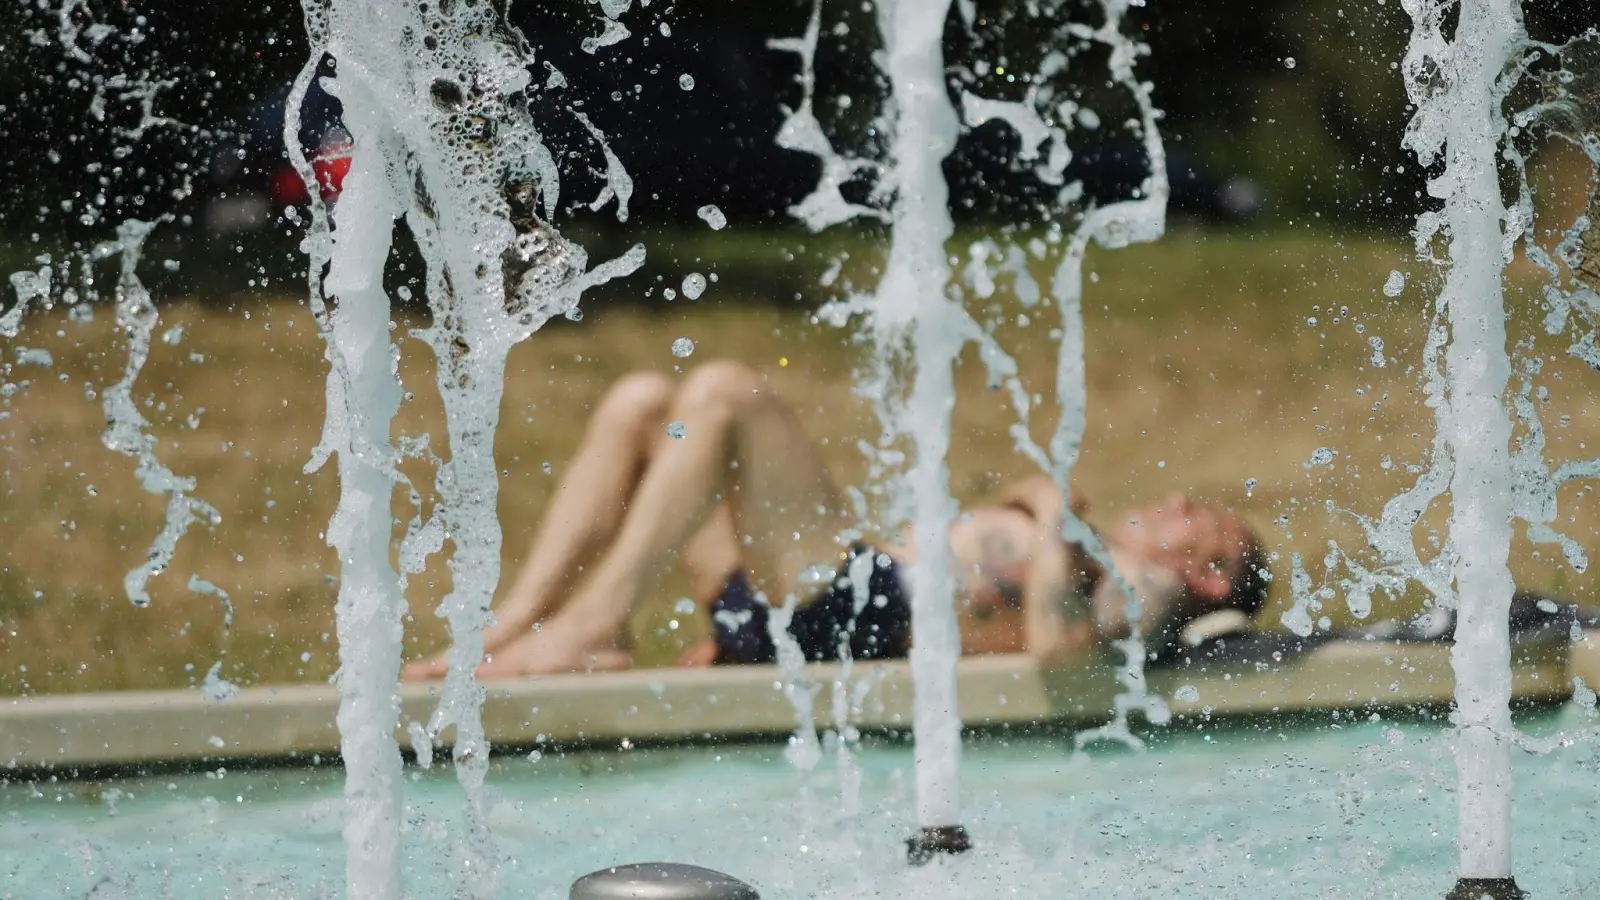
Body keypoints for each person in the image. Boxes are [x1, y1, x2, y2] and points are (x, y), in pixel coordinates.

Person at [402, 359, 1269, 680]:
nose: (1185, 503)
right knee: (644, 406)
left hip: (856, 611)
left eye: (1212, 524)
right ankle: (525, 620)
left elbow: (1058, 652)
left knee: (727, 394)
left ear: (1211, 577)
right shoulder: (1088, 542)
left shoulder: (1148, 591)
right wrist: (1049, 503)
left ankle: (588, 625)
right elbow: (1028, 495)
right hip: (803, 602)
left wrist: (1052, 521)